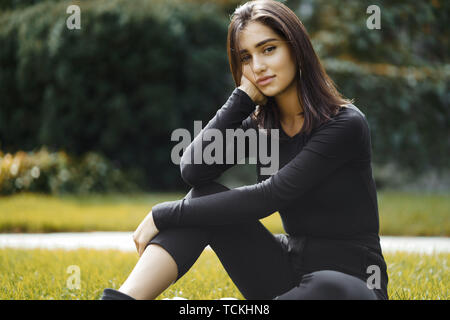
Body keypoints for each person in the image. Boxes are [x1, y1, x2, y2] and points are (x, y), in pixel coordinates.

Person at [101, 0, 389, 300]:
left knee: (331, 287)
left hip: (352, 283)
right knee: (205, 198)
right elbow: (194, 170)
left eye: (268, 49)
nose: (258, 66)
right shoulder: (263, 127)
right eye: (245, 57)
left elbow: (270, 195)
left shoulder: (345, 124)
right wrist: (241, 99)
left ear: (296, 48)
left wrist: (163, 214)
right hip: (288, 273)